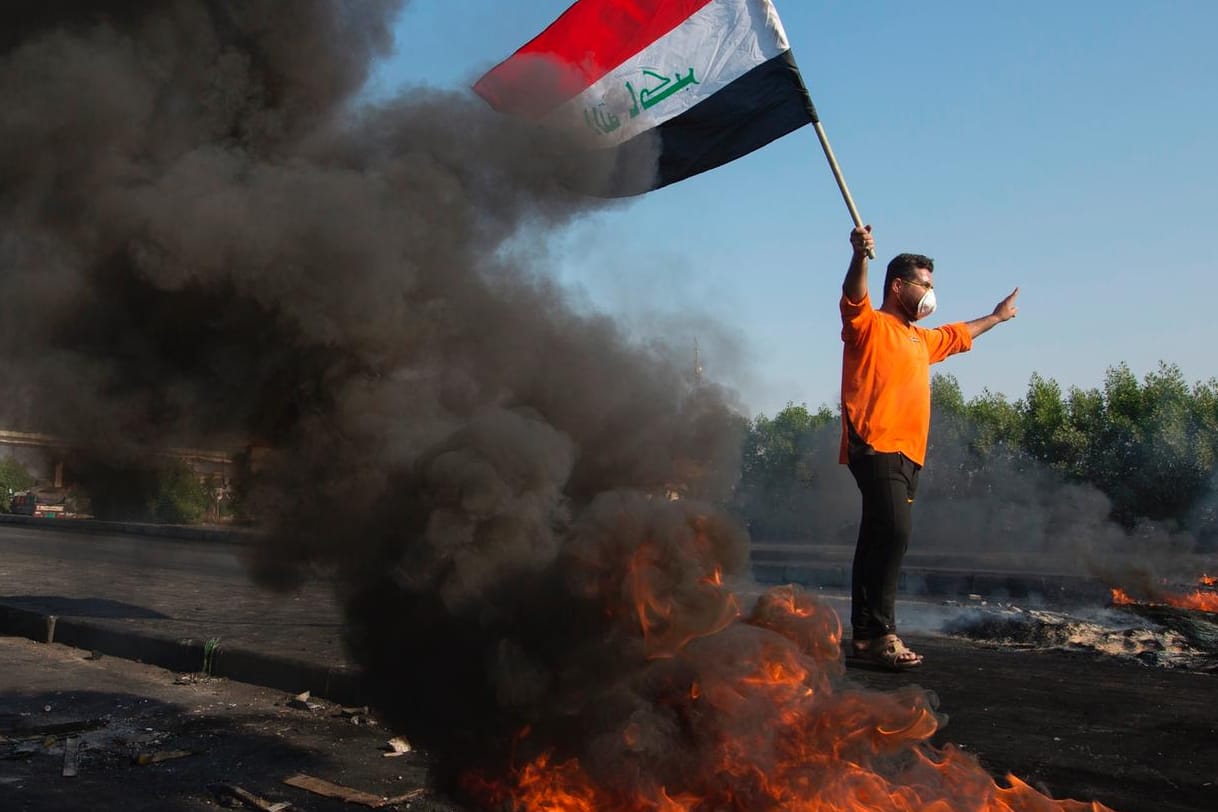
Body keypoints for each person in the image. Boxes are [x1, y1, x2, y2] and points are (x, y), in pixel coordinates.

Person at [840, 225, 1018, 670]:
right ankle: (883, 635)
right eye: (925, 285)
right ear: (898, 285)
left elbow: (959, 334)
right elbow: (854, 298)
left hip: (909, 455)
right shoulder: (870, 327)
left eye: (933, 287)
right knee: (895, 533)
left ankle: (863, 639)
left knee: (878, 538)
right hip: (876, 444)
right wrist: (860, 256)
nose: (930, 295)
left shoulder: (922, 340)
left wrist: (996, 317)